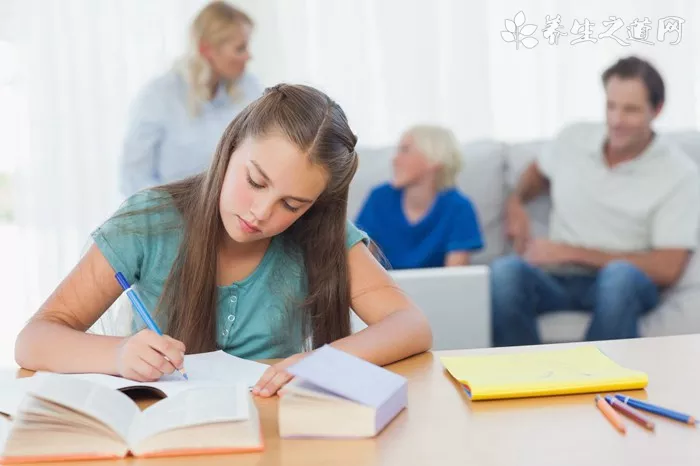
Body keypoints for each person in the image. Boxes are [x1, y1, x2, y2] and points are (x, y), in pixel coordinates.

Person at [15, 84, 433, 398]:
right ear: (229, 147)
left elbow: (411, 325)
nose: (261, 213)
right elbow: (34, 340)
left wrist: (323, 363)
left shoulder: (320, 235)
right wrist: (120, 355)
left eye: (291, 204)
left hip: (273, 434)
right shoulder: (147, 222)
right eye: (255, 181)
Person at [491, 56, 700, 347]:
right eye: (611, 106)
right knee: (505, 273)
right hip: (555, 277)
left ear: (657, 110)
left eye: (630, 110)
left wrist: (570, 252)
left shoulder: (679, 174)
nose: (616, 121)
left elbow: (667, 267)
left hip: (623, 282)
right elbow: (536, 173)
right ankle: (523, 382)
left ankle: (595, 385)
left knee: (619, 279)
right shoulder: (574, 138)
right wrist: (515, 203)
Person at [119, 1, 263, 197]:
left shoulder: (249, 88)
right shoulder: (159, 96)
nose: (249, 57)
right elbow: (134, 177)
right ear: (207, 50)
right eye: (240, 48)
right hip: (173, 215)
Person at [355, 125, 483, 270]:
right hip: (384, 290)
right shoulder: (378, 199)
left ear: (434, 159)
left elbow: (455, 280)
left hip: (437, 291)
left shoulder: (460, 208)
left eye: (405, 150)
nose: (395, 159)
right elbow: (362, 265)